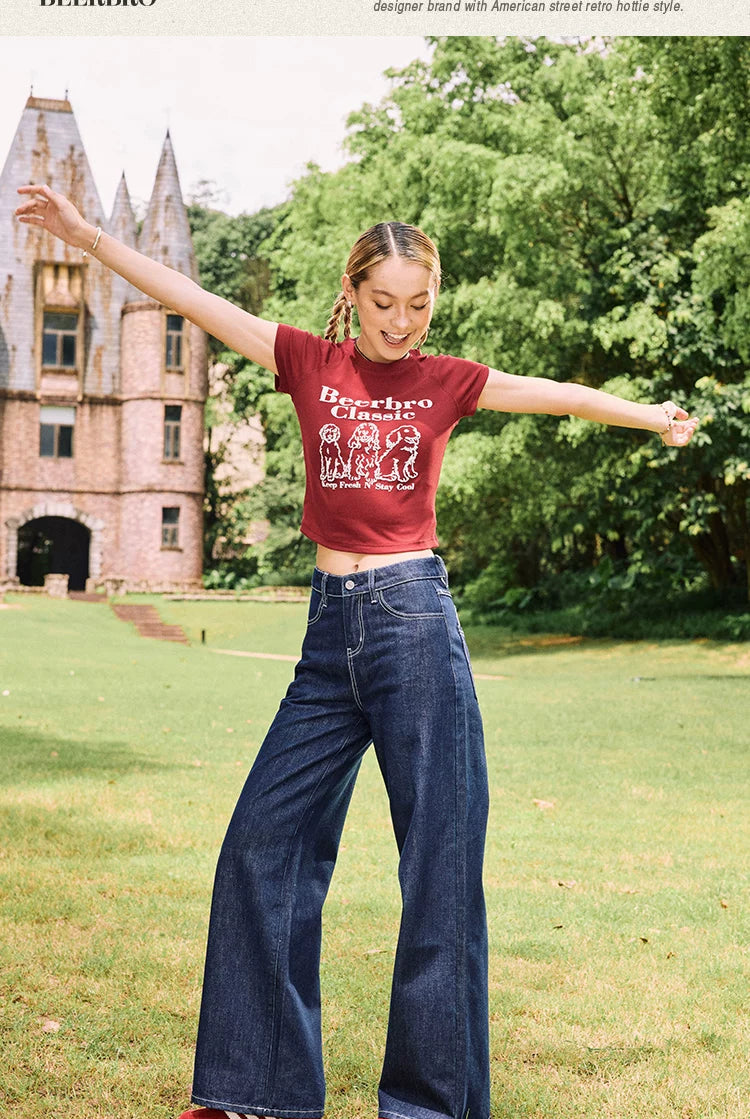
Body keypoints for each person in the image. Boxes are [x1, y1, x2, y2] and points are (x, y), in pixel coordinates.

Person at [16, 184, 698, 1119]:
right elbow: (188, 298)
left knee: (440, 866)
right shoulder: (307, 360)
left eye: (420, 306)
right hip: (328, 629)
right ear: (354, 291)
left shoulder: (445, 380)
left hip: (415, 619)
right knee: (262, 842)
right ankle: (256, 1089)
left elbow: (556, 399)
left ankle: (430, 1105)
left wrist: (651, 413)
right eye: (385, 302)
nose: (403, 322)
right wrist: (85, 235)